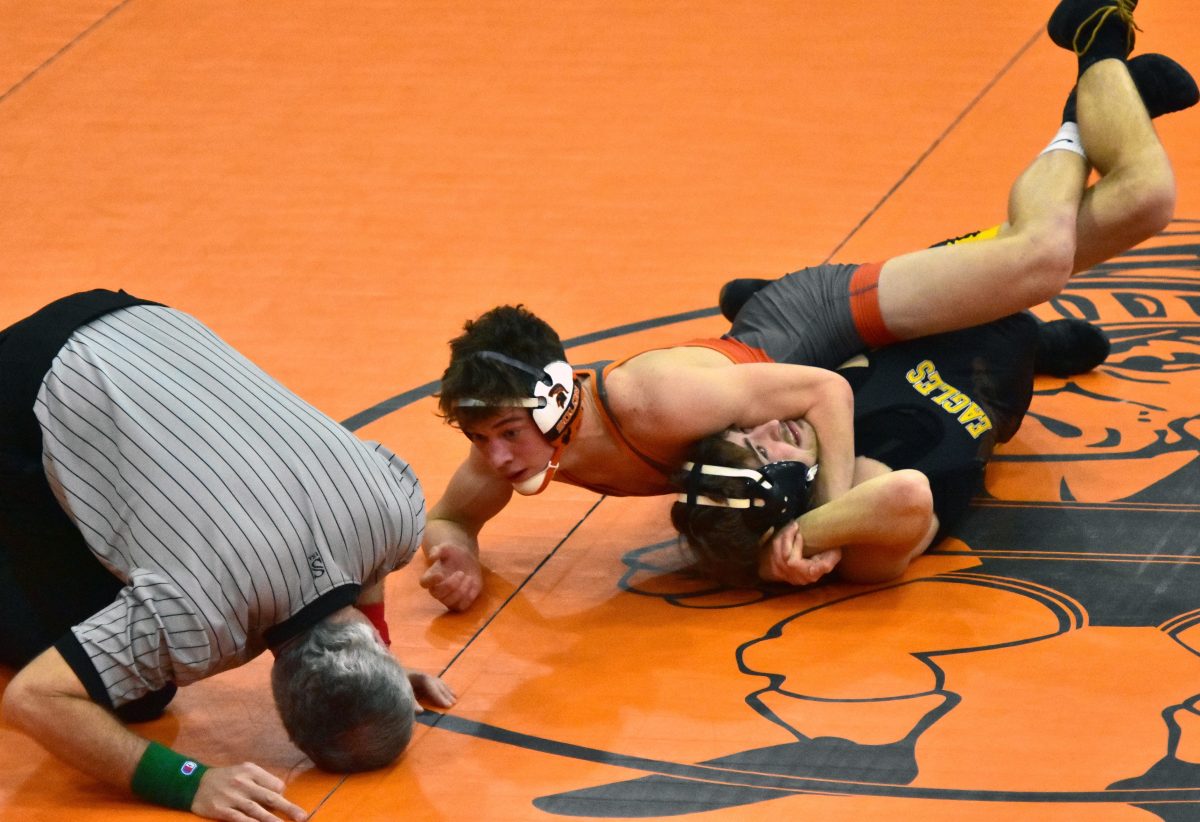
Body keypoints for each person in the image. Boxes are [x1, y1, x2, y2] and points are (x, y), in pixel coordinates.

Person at [421, 0, 1196, 611]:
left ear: (554, 399)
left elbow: (822, 389)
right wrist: (454, 550)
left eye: (505, 432)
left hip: (816, 326)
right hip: (784, 367)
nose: (494, 457)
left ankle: (1091, 50)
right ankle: (1095, 131)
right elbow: (450, 516)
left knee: (1038, 259)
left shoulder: (652, 398)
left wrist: (818, 514)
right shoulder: (521, 449)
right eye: (483, 438)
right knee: (1142, 203)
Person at [0, 290, 455, 822]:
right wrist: (188, 783)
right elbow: (33, 698)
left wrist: (381, 660)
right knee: (131, 700)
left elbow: (370, 570)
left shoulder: (394, 515)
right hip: (19, 383)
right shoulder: (199, 622)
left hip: (138, 320)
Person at [672, 310, 1050, 588]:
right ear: (781, 500)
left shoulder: (802, 420)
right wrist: (801, 539)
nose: (770, 425)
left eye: (747, 432)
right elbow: (908, 493)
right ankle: (1050, 343)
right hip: (999, 349)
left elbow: (824, 389)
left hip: (910, 315)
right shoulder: (856, 555)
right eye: (764, 453)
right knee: (1038, 265)